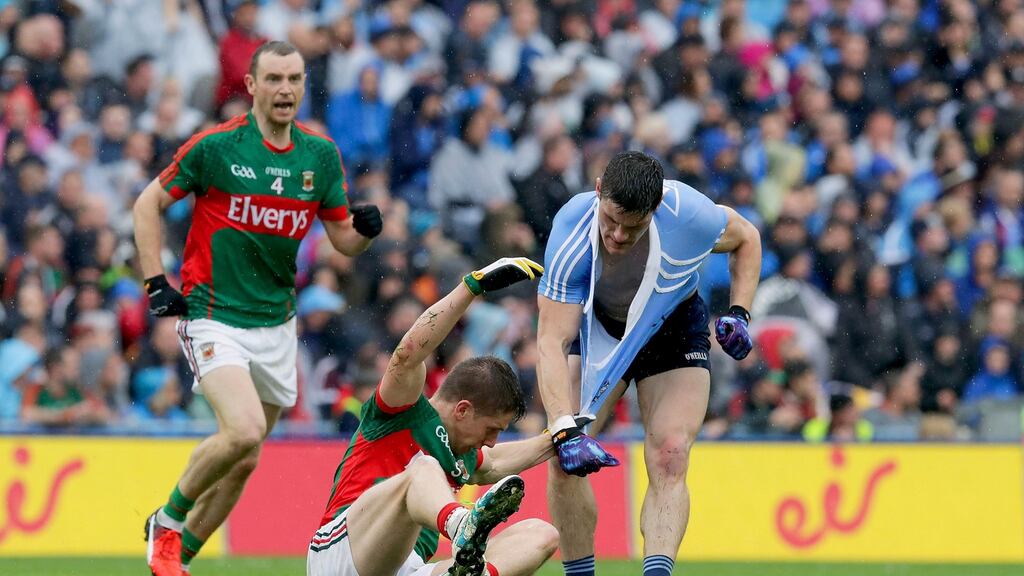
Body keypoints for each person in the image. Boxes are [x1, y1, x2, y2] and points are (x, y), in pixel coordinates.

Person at [133, 41, 384, 576]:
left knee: (244, 457)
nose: (286, 89)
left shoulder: (318, 156)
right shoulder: (217, 147)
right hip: (213, 314)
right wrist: (155, 280)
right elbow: (147, 202)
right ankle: (168, 522)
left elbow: (341, 238)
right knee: (243, 430)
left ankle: (177, 561)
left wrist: (363, 232)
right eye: (273, 79)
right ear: (251, 86)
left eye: (294, 78)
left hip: (277, 325)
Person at [536, 151, 761, 575]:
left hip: (673, 326)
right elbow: (551, 339)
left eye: (633, 226)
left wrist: (740, 311)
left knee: (672, 454)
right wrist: (564, 429)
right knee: (561, 458)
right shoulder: (570, 231)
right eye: (611, 220)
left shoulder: (689, 214)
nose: (618, 235)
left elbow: (747, 237)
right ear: (599, 191)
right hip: (599, 331)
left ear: (656, 209)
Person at [307, 256, 558, 576]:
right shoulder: (404, 410)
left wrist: (559, 437)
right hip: (343, 552)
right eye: (492, 429)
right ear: (463, 410)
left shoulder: (465, 454)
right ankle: (460, 524)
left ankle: (470, 570)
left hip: (404, 567)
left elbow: (496, 463)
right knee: (422, 469)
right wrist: (471, 287)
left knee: (541, 535)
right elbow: (408, 354)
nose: (492, 441)